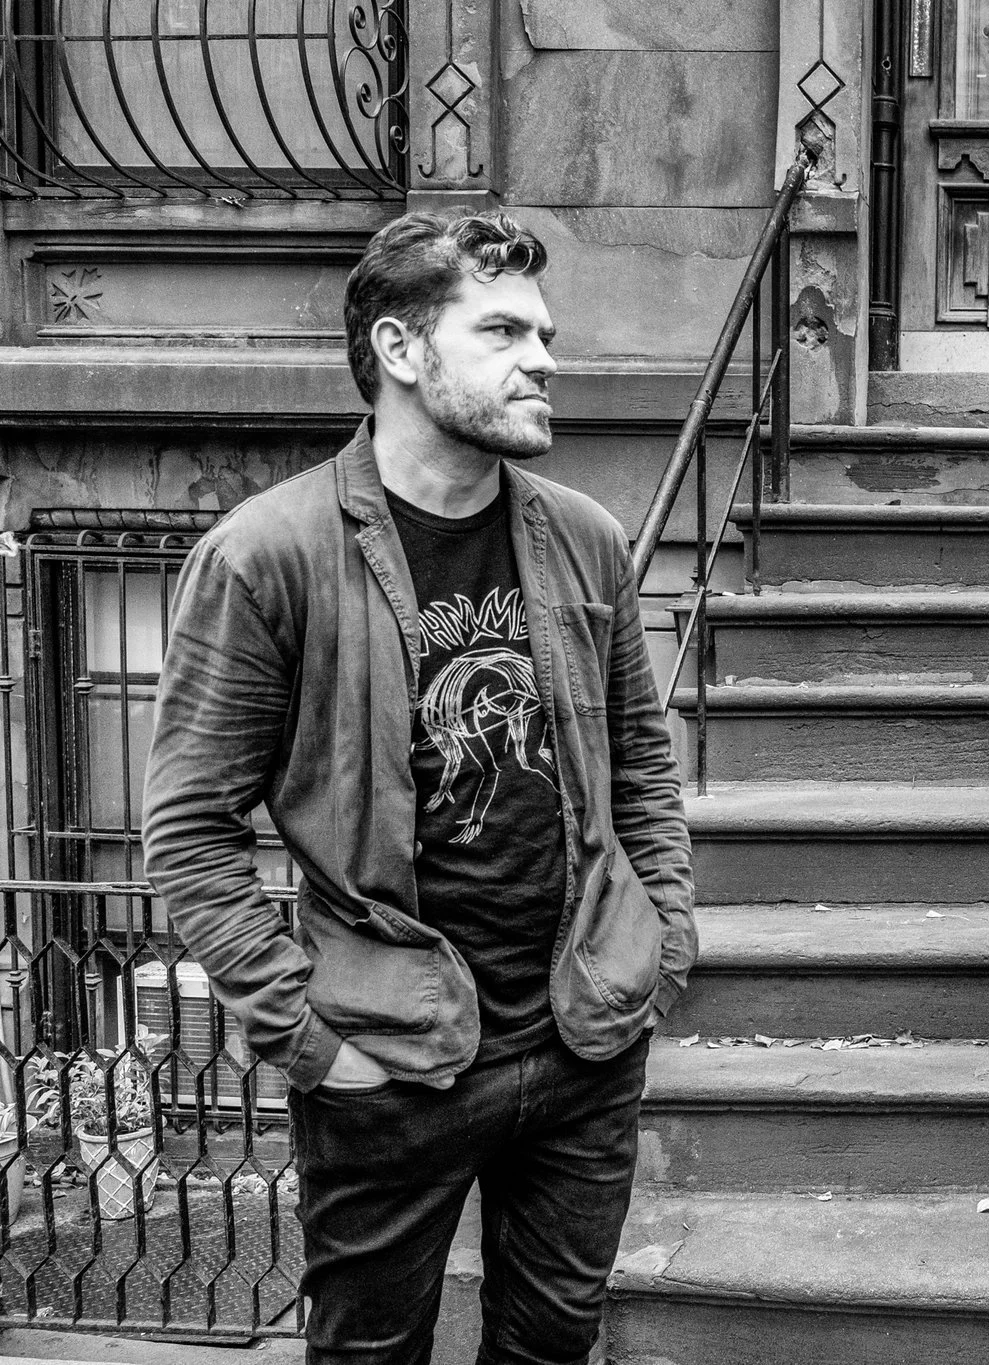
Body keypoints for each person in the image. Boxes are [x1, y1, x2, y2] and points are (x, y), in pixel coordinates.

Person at [142, 211, 697, 1365]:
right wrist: (307, 1037)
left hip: (584, 1035)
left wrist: (663, 946)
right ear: (400, 349)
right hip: (390, 1057)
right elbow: (190, 831)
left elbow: (642, 766)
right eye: (502, 331)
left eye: (545, 334)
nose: (543, 359)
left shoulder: (585, 539)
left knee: (550, 1347)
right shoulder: (267, 555)